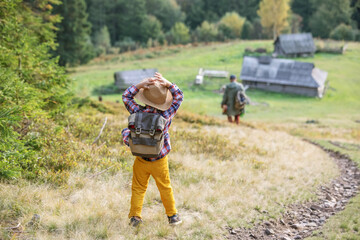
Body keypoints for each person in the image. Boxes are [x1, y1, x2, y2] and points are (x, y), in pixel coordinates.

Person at [121, 72, 184, 227]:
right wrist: (168, 84)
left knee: (138, 188)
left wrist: (140, 85)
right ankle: (173, 216)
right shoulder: (166, 114)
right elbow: (179, 97)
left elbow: (126, 96)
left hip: (141, 157)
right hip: (159, 159)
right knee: (165, 187)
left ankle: (135, 217)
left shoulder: (137, 111)